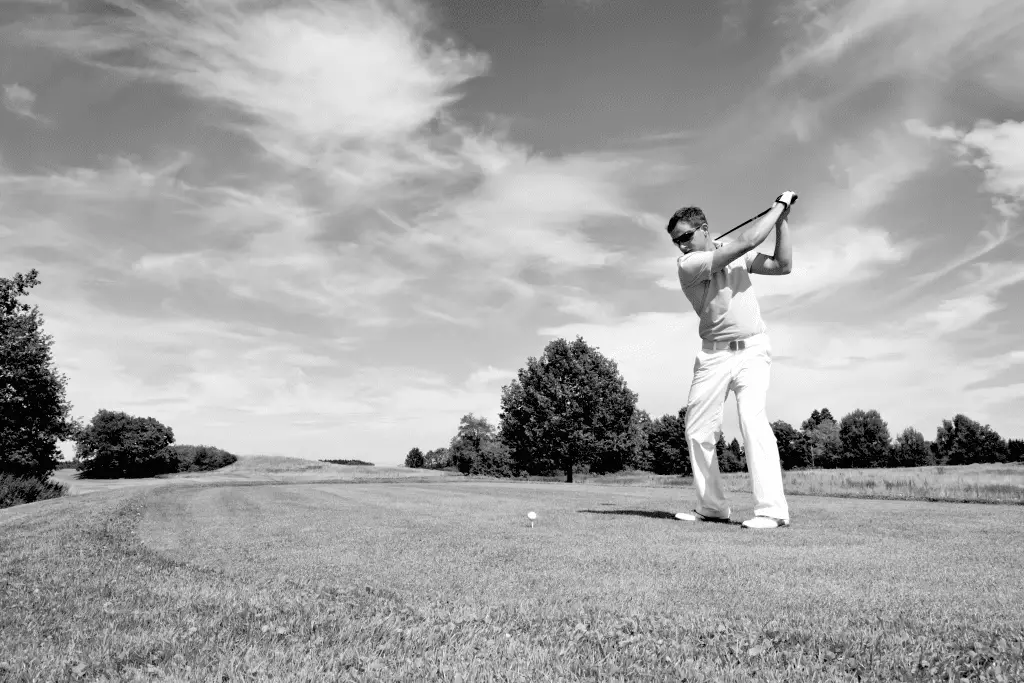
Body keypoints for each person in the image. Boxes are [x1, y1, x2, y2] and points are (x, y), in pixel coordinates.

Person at [666, 191, 796, 529]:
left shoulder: (735, 254)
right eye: (676, 241)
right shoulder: (688, 264)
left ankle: (772, 511)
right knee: (697, 430)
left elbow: (783, 266)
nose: (681, 245)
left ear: (703, 229)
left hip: (752, 349)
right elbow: (749, 238)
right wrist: (780, 206)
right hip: (713, 356)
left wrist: (782, 222)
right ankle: (712, 508)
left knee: (752, 420)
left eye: (686, 237)